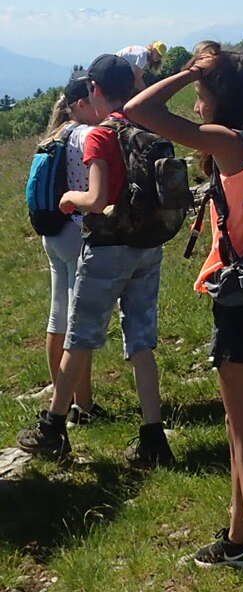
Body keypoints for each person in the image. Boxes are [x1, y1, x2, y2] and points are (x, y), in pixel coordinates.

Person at [124, 43, 243, 592]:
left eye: (203, 95)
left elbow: (138, 112)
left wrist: (185, 71)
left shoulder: (229, 143)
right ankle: (239, 542)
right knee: (242, 426)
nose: (197, 104)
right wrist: (207, 75)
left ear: (221, 97)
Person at [17, 54, 174, 467]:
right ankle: (154, 437)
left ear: (96, 91)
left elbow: (97, 199)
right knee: (141, 342)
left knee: (80, 337)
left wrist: (69, 200)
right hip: (148, 244)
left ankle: (53, 427)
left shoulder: (101, 135)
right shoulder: (148, 126)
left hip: (107, 248)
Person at [39, 74, 105, 425]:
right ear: (81, 104)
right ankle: (82, 405)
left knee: (59, 318)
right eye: (95, 98)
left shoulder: (55, 134)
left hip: (53, 234)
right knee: (78, 326)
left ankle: (62, 397)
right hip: (78, 232)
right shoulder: (85, 134)